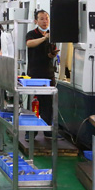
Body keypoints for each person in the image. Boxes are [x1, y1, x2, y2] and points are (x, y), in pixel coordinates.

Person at [25, 9, 59, 137]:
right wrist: (44, 38)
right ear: (36, 21)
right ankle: (30, 132)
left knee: (48, 104)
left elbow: (50, 53)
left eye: (47, 19)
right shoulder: (31, 34)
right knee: (34, 103)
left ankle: (47, 130)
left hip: (48, 74)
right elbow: (29, 44)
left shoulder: (51, 35)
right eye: (42, 19)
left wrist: (52, 54)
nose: (45, 21)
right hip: (34, 74)